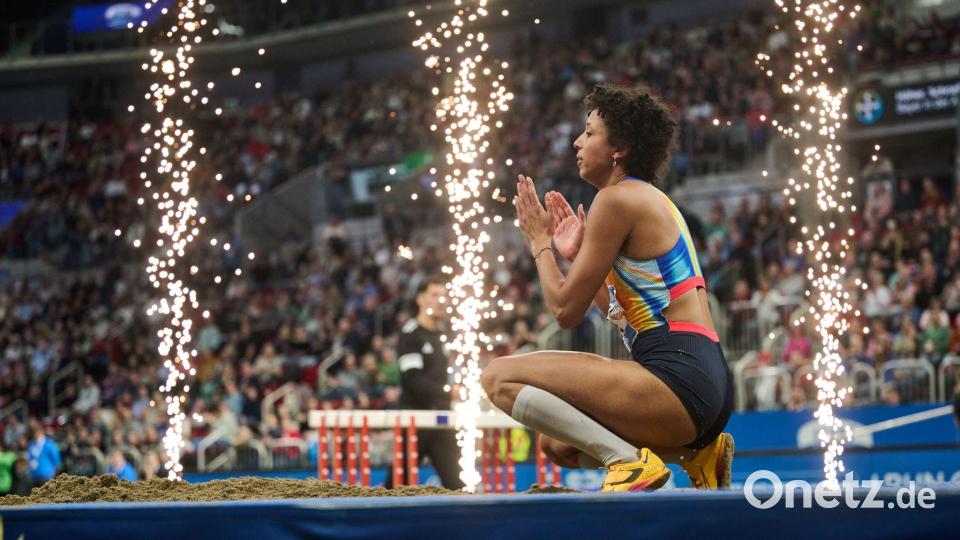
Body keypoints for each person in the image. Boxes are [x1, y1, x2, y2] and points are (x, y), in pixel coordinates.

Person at [482, 84, 734, 491]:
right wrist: (574, 255)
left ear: (619, 148)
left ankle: (631, 465)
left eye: (589, 132)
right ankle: (698, 455)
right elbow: (624, 316)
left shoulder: (615, 200)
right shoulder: (650, 199)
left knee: (498, 377)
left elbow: (564, 312)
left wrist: (539, 244)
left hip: (678, 377)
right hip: (704, 380)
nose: (577, 142)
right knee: (558, 443)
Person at [386, 277, 465, 490]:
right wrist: (450, 392)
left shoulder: (442, 335)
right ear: (420, 299)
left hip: (441, 421)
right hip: (415, 421)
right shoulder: (411, 333)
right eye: (435, 295)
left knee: (457, 485)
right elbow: (412, 380)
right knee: (394, 487)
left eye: (443, 296)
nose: (441, 301)